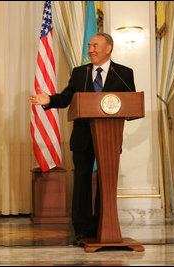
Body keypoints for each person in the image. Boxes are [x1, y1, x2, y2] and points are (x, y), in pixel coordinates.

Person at [28, 32, 136, 242]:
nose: (90, 50)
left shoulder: (123, 73)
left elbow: (131, 102)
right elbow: (66, 98)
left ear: (108, 48)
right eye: (89, 46)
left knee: (107, 181)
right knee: (82, 181)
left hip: (110, 137)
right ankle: (82, 229)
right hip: (83, 137)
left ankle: (104, 224)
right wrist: (48, 99)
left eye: (95, 45)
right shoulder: (80, 73)